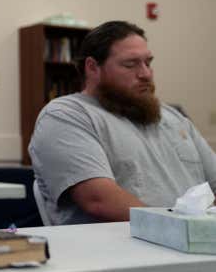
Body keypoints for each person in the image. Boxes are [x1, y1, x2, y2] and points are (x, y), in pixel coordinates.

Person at [29, 21, 216, 225]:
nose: (145, 74)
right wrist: (180, 229)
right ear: (92, 68)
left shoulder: (173, 118)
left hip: (197, 243)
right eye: (130, 64)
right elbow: (99, 201)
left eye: (148, 63)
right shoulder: (66, 116)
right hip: (125, 250)